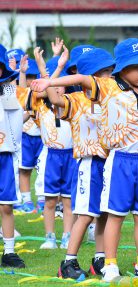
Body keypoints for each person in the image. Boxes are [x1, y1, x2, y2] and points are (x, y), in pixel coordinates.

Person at [31, 37, 138, 282]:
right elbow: (79, 80)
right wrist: (49, 79)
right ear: (123, 69)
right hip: (115, 160)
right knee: (109, 214)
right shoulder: (106, 89)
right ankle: (102, 264)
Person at [35, 46, 115, 280]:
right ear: (89, 76)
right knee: (86, 214)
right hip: (90, 163)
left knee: (105, 214)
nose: (109, 76)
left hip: (110, 163)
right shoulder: (77, 99)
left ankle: (100, 259)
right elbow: (53, 98)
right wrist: (53, 71)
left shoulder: (112, 97)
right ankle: (68, 262)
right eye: (104, 72)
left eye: (110, 71)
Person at [30, 53, 75, 250]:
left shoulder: (72, 103)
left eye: (61, 83)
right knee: (49, 201)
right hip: (51, 157)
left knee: (68, 200)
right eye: (53, 84)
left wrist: (58, 69)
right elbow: (43, 88)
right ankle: (50, 238)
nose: (57, 87)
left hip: (71, 156)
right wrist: (45, 67)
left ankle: (67, 236)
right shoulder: (40, 106)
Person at [0, 44, 25, 268]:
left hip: (4, 155)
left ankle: (9, 252)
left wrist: (21, 73)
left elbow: (22, 106)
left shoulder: (9, 91)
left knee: (6, 206)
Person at [15, 58, 43, 213]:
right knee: (25, 170)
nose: (31, 80)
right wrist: (22, 72)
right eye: (28, 77)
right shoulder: (22, 94)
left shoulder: (43, 94)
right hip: (25, 137)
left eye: (34, 77)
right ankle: (27, 201)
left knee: (43, 170)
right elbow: (21, 88)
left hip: (43, 138)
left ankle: (42, 200)